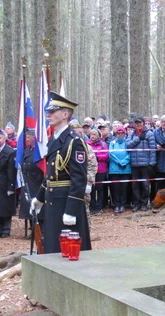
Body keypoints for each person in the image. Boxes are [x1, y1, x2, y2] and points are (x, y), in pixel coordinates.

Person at [30, 92, 91, 253]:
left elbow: (79, 180)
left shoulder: (73, 142)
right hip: (52, 201)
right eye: (48, 112)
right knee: (53, 247)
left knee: (69, 249)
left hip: (66, 203)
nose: (48, 115)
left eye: (52, 111)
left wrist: (71, 211)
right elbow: (51, 175)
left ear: (65, 114)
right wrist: (39, 198)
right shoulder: (54, 140)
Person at [126, 115, 156, 211]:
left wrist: (152, 163)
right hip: (134, 164)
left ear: (143, 123)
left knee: (145, 185)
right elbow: (128, 145)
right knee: (135, 185)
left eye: (140, 122)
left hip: (145, 164)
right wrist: (138, 138)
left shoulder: (150, 134)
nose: (138, 124)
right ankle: (136, 203)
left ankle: (144, 203)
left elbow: (152, 149)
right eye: (137, 123)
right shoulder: (132, 134)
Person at [17, 129, 45, 234]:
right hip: (27, 181)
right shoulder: (27, 149)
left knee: (38, 208)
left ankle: (39, 230)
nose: (27, 139)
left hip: (36, 182)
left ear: (34, 137)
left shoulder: (39, 150)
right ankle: (32, 229)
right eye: (26, 137)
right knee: (29, 207)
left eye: (29, 137)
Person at [108, 125, 131, 213]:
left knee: (124, 188)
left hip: (125, 169)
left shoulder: (127, 142)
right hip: (114, 169)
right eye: (118, 133)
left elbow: (130, 153)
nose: (120, 134)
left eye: (122, 133)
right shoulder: (112, 143)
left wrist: (124, 161)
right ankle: (116, 205)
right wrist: (118, 162)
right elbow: (110, 154)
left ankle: (123, 204)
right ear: (116, 133)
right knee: (115, 188)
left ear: (124, 133)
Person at [88, 128, 109, 214]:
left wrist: (97, 156)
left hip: (101, 169)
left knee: (100, 189)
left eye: (94, 134)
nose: (92, 136)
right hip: (91, 170)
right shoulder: (87, 144)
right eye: (91, 134)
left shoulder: (103, 144)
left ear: (98, 136)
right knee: (91, 189)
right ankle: (92, 206)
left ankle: (99, 206)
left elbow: (106, 155)